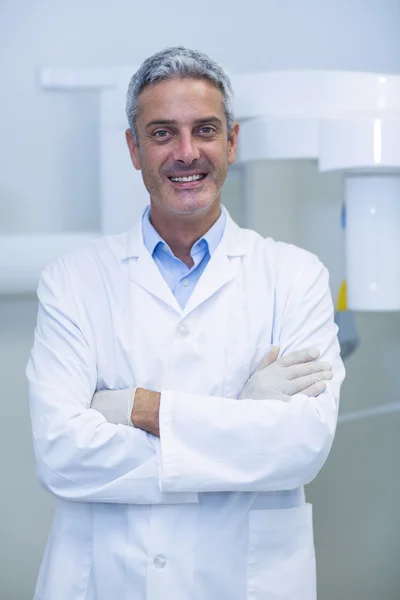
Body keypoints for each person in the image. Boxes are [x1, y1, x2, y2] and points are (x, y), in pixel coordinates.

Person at [27, 47, 345, 600]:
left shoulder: (296, 277)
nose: (186, 152)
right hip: (108, 581)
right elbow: (61, 456)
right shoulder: (72, 282)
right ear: (133, 148)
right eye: (161, 133)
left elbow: (301, 447)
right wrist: (244, 421)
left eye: (204, 129)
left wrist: (136, 408)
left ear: (232, 142)